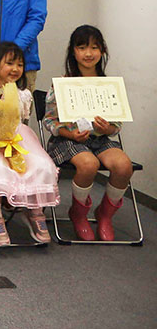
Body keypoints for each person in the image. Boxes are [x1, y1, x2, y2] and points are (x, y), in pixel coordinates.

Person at [43, 25, 134, 241]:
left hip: (99, 139)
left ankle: (104, 215)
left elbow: (117, 124)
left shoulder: (108, 85)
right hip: (67, 140)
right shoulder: (63, 84)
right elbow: (49, 120)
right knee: (88, 164)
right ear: (73, 51)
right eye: (82, 47)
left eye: (94, 47)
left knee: (124, 166)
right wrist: (70, 134)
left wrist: (108, 128)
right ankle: (79, 213)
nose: (88, 53)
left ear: (102, 51)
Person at [0, 42, 58, 246]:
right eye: (10, 63)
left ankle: (35, 212)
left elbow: (19, 121)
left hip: (18, 139)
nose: (15, 69)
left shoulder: (24, 95)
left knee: (40, 166)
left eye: (20, 64)